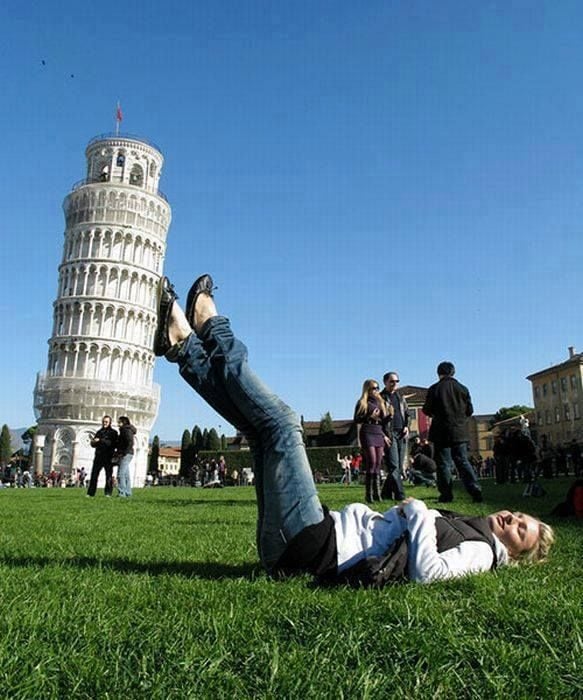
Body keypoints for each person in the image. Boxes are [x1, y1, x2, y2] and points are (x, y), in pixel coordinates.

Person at [153, 274, 554, 584]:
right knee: (261, 431)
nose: (513, 519)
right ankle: (183, 346)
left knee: (282, 423)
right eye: (520, 515)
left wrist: (417, 512)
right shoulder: (473, 528)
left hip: (315, 545)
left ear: (515, 554)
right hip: (297, 546)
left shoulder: (482, 553)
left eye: (521, 530)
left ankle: (214, 331)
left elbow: (429, 573)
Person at [422, 362, 483, 504]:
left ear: (439, 373)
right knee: (463, 461)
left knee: (443, 464)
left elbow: (426, 409)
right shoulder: (463, 389)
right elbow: (470, 410)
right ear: (453, 372)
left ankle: (446, 495)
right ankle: (475, 490)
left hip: (440, 430)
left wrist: (435, 413)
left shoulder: (434, 389)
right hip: (459, 430)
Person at [353, 379, 391, 503]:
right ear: (367, 390)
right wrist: (369, 416)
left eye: (377, 388)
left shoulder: (381, 402)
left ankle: (377, 494)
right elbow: (356, 419)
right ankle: (368, 494)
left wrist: (389, 415)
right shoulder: (362, 402)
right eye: (373, 388)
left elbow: (383, 422)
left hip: (378, 432)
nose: (376, 391)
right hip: (367, 431)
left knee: (378, 463)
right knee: (372, 461)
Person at [380, 371, 409, 501]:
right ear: (385, 382)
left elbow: (407, 414)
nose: (395, 384)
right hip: (389, 434)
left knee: (399, 465)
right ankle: (400, 494)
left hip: (402, 434)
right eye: (392, 381)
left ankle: (385, 493)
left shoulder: (400, 397)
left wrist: (407, 426)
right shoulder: (380, 398)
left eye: (397, 381)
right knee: (394, 466)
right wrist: (383, 435)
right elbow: (377, 421)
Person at [87, 415, 118, 497]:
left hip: (108, 456)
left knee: (108, 476)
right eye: (104, 421)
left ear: (110, 422)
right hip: (98, 456)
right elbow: (94, 445)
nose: (105, 423)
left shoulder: (113, 433)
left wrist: (100, 440)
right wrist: (93, 442)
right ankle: (91, 493)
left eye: (106, 422)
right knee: (94, 475)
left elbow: (111, 443)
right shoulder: (99, 432)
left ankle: (108, 493)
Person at [117, 416, 136, 498]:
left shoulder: (125, 430)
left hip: (126, 453)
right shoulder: (128, 430)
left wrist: (124, 452)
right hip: (129, 453)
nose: (118, 424)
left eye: (119, 422)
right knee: (126, 474)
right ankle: (128, 492)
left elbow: (130, 442)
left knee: (120, 474)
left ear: (123, 422)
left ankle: (122, 493)